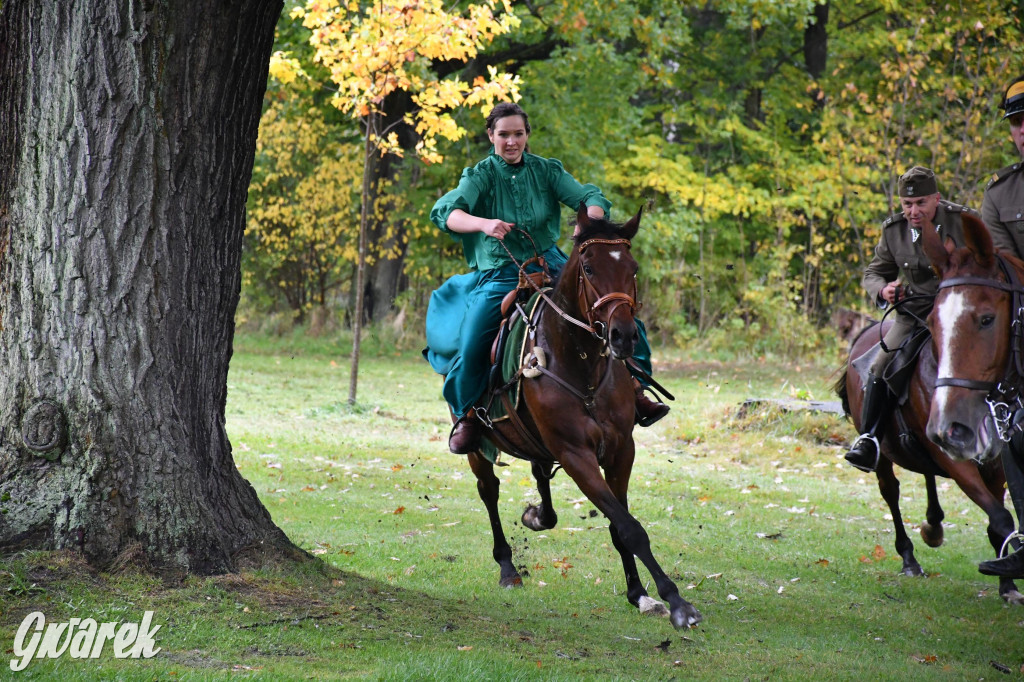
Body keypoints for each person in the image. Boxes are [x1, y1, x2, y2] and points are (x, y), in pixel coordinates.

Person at [423, 102, 668, 454]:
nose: (511, 142)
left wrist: (591, 221)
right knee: (474, 340)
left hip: (551, 264)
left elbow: (589, 196)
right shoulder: (479, 177)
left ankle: (635, 390)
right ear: (491, 136)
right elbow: (446, 213)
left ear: (527, 136)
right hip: (500, 273)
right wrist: (484, 224)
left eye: (518, 134)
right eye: (504, 134)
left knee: (621, 313)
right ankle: (470, 416)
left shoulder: (546, 171)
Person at [844, 166, 975, 472]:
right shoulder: (893, 231)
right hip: (915, 314)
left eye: (921, 204)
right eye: (907, 204)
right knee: (879, 365)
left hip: (959, 315)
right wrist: (884, 290)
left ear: (937, 199)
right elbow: (874, 272)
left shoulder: (962, 222)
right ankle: (869, 439)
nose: (913, 211)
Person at [976, 75, 1024, 579]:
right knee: (1014, 426)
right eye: (1016, 122)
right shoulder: (1001, 193)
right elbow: (1002, 270)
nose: (1023, 131)